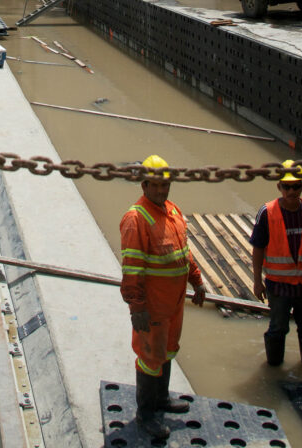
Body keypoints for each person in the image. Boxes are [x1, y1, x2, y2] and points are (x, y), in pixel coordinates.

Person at [120, 154, 206, 441]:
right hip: (153, 307)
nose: (161, 191)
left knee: (168, 350)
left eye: (165, 185)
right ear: (144, 185)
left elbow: (184, 252)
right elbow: (132, 269)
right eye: (156, 186)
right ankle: (146, 414)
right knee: (150, 358)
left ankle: (161, 399)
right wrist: (137, 307)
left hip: (174, 302)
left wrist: (196, 280)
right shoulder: (136, 219)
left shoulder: (172, 211)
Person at [250, 159, 302, 369]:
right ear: (279, 187)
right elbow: (258, 248)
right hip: (279, 286)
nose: (291, 191)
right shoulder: (267, 212)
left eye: (296, 186)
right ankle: (274, 369)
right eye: (287, 187)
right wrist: (257, 282)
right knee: (277, 328)